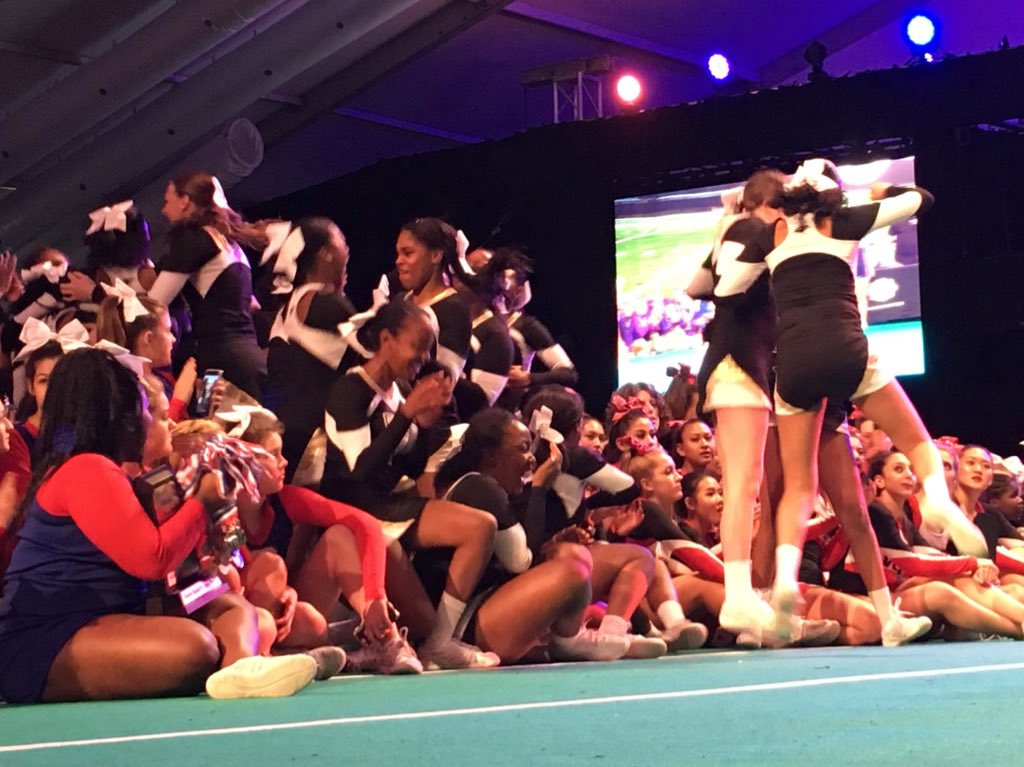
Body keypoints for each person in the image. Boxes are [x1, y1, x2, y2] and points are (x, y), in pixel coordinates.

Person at [0, 348, 316, 703]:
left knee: (229, 606)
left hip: (111, 616)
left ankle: (243, 668)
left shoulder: (112, 471)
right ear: (116, 415)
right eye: (146, 410)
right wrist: (203, 500)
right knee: (195, 647)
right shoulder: (87, 469)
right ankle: (237, 663)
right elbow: (153, 558)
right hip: (46, 637)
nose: (148, 418)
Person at [764, 159, 987, 639]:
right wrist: (877, 188)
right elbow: (920, 199)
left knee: (800, 487)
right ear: (832, 197)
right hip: (845, 350)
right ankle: (940, 501)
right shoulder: (842, 222)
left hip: (794, 363)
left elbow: (721, 285)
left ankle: (784, 580)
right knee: (917, 441)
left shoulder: (774, 236)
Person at [321, 299, 500, 669]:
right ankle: (411, 637)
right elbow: (358, 472)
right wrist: (406, 415)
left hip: (390, 504)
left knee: (481, 526)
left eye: (430, 347)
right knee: (419, 618)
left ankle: (440, 642)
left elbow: (407, 465)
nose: (425, 356)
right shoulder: (351, 389)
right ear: (386, 339)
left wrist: (428, 420)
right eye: (418, 345)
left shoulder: (398, 393)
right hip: (358, 513)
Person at [150, 171, 267, 399]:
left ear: (185, 202)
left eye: (167, 201)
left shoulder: (195, 240)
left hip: (216, 366)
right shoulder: (231, 245)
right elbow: (252, 305)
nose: (164, 210)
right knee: (254, 433)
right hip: (250, 360)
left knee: (209, 429)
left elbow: (153, 303)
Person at [262, 218, 365, 472]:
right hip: (318, 439)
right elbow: (375, 352)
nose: (347, 247)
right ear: (325, 253)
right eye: (341, 239)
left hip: (291, 429)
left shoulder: (292, 302)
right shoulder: (325, 301)